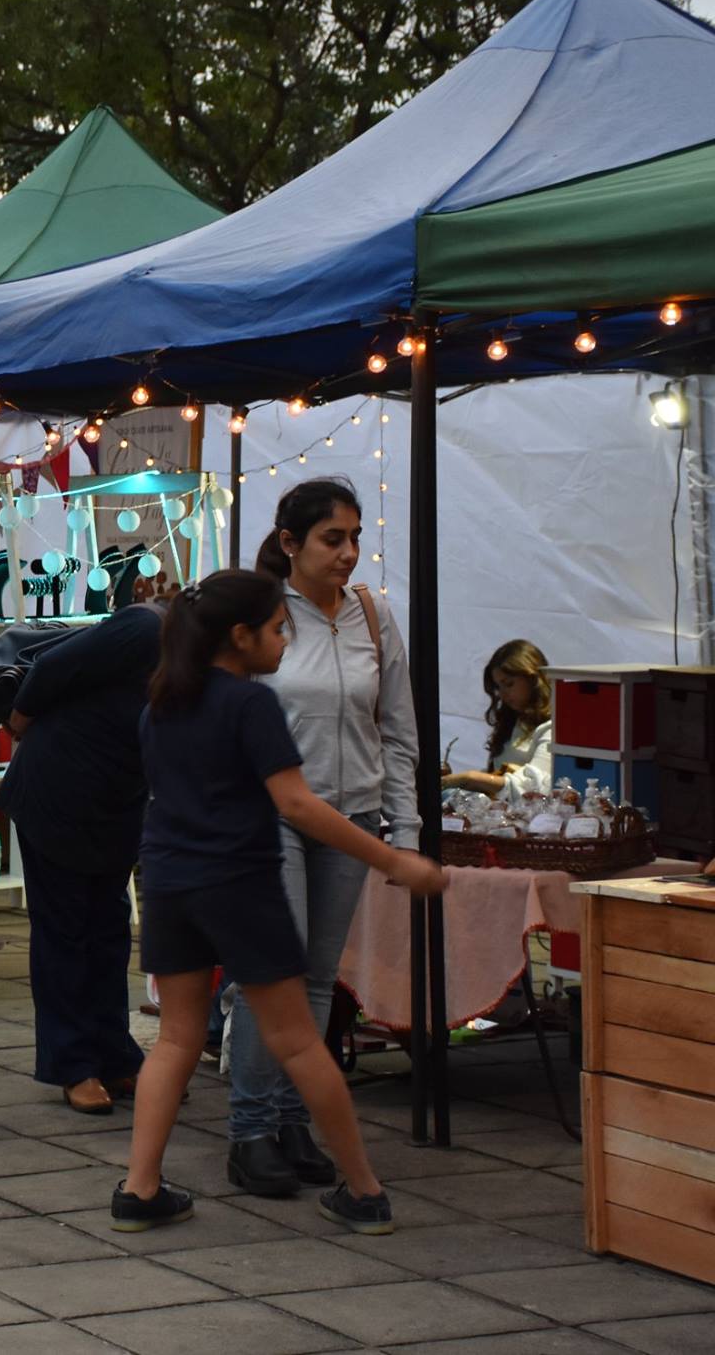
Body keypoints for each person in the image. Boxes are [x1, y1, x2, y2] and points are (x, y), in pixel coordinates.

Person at [115, 568, 445, 1236]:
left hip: (170, 880)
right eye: (275, 628)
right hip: (239, 882)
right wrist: (392, 859)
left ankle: (138, 1187)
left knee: (176, 1037)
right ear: (240, 637)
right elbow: (295, 802)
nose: (286, 639)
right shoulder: (250, 704)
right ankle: (365, 1191)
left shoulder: (161, 704)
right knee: (298, 1039)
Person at [223, 479, 419, 1200]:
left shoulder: (374, 614)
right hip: (271, 812)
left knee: (314, 975)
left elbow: (398, 729)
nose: (348, 553)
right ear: (290, 543)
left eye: (354, 538)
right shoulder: (259, 614)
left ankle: (290, 1118)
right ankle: (249, 1130)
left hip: (353, 813)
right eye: (332, 539)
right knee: (270, 969)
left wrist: (407, 825)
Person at [0, 595, 165, 1114]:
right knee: (65, 931)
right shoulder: (146, 628)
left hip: (116, 800)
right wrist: (18, 721)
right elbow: (52, 666)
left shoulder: (218, 670)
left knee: (109, 930)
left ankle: (114, 1053)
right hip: (60, 789)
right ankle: (72, 1064)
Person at [443, 639, 553, 801]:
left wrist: (471, 777)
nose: (502, 694)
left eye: (509, 684)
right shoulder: (512, 722)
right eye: (498, 687)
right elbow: (500, 775)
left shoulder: (554, 728)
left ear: (533, 679)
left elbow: (536, 786)